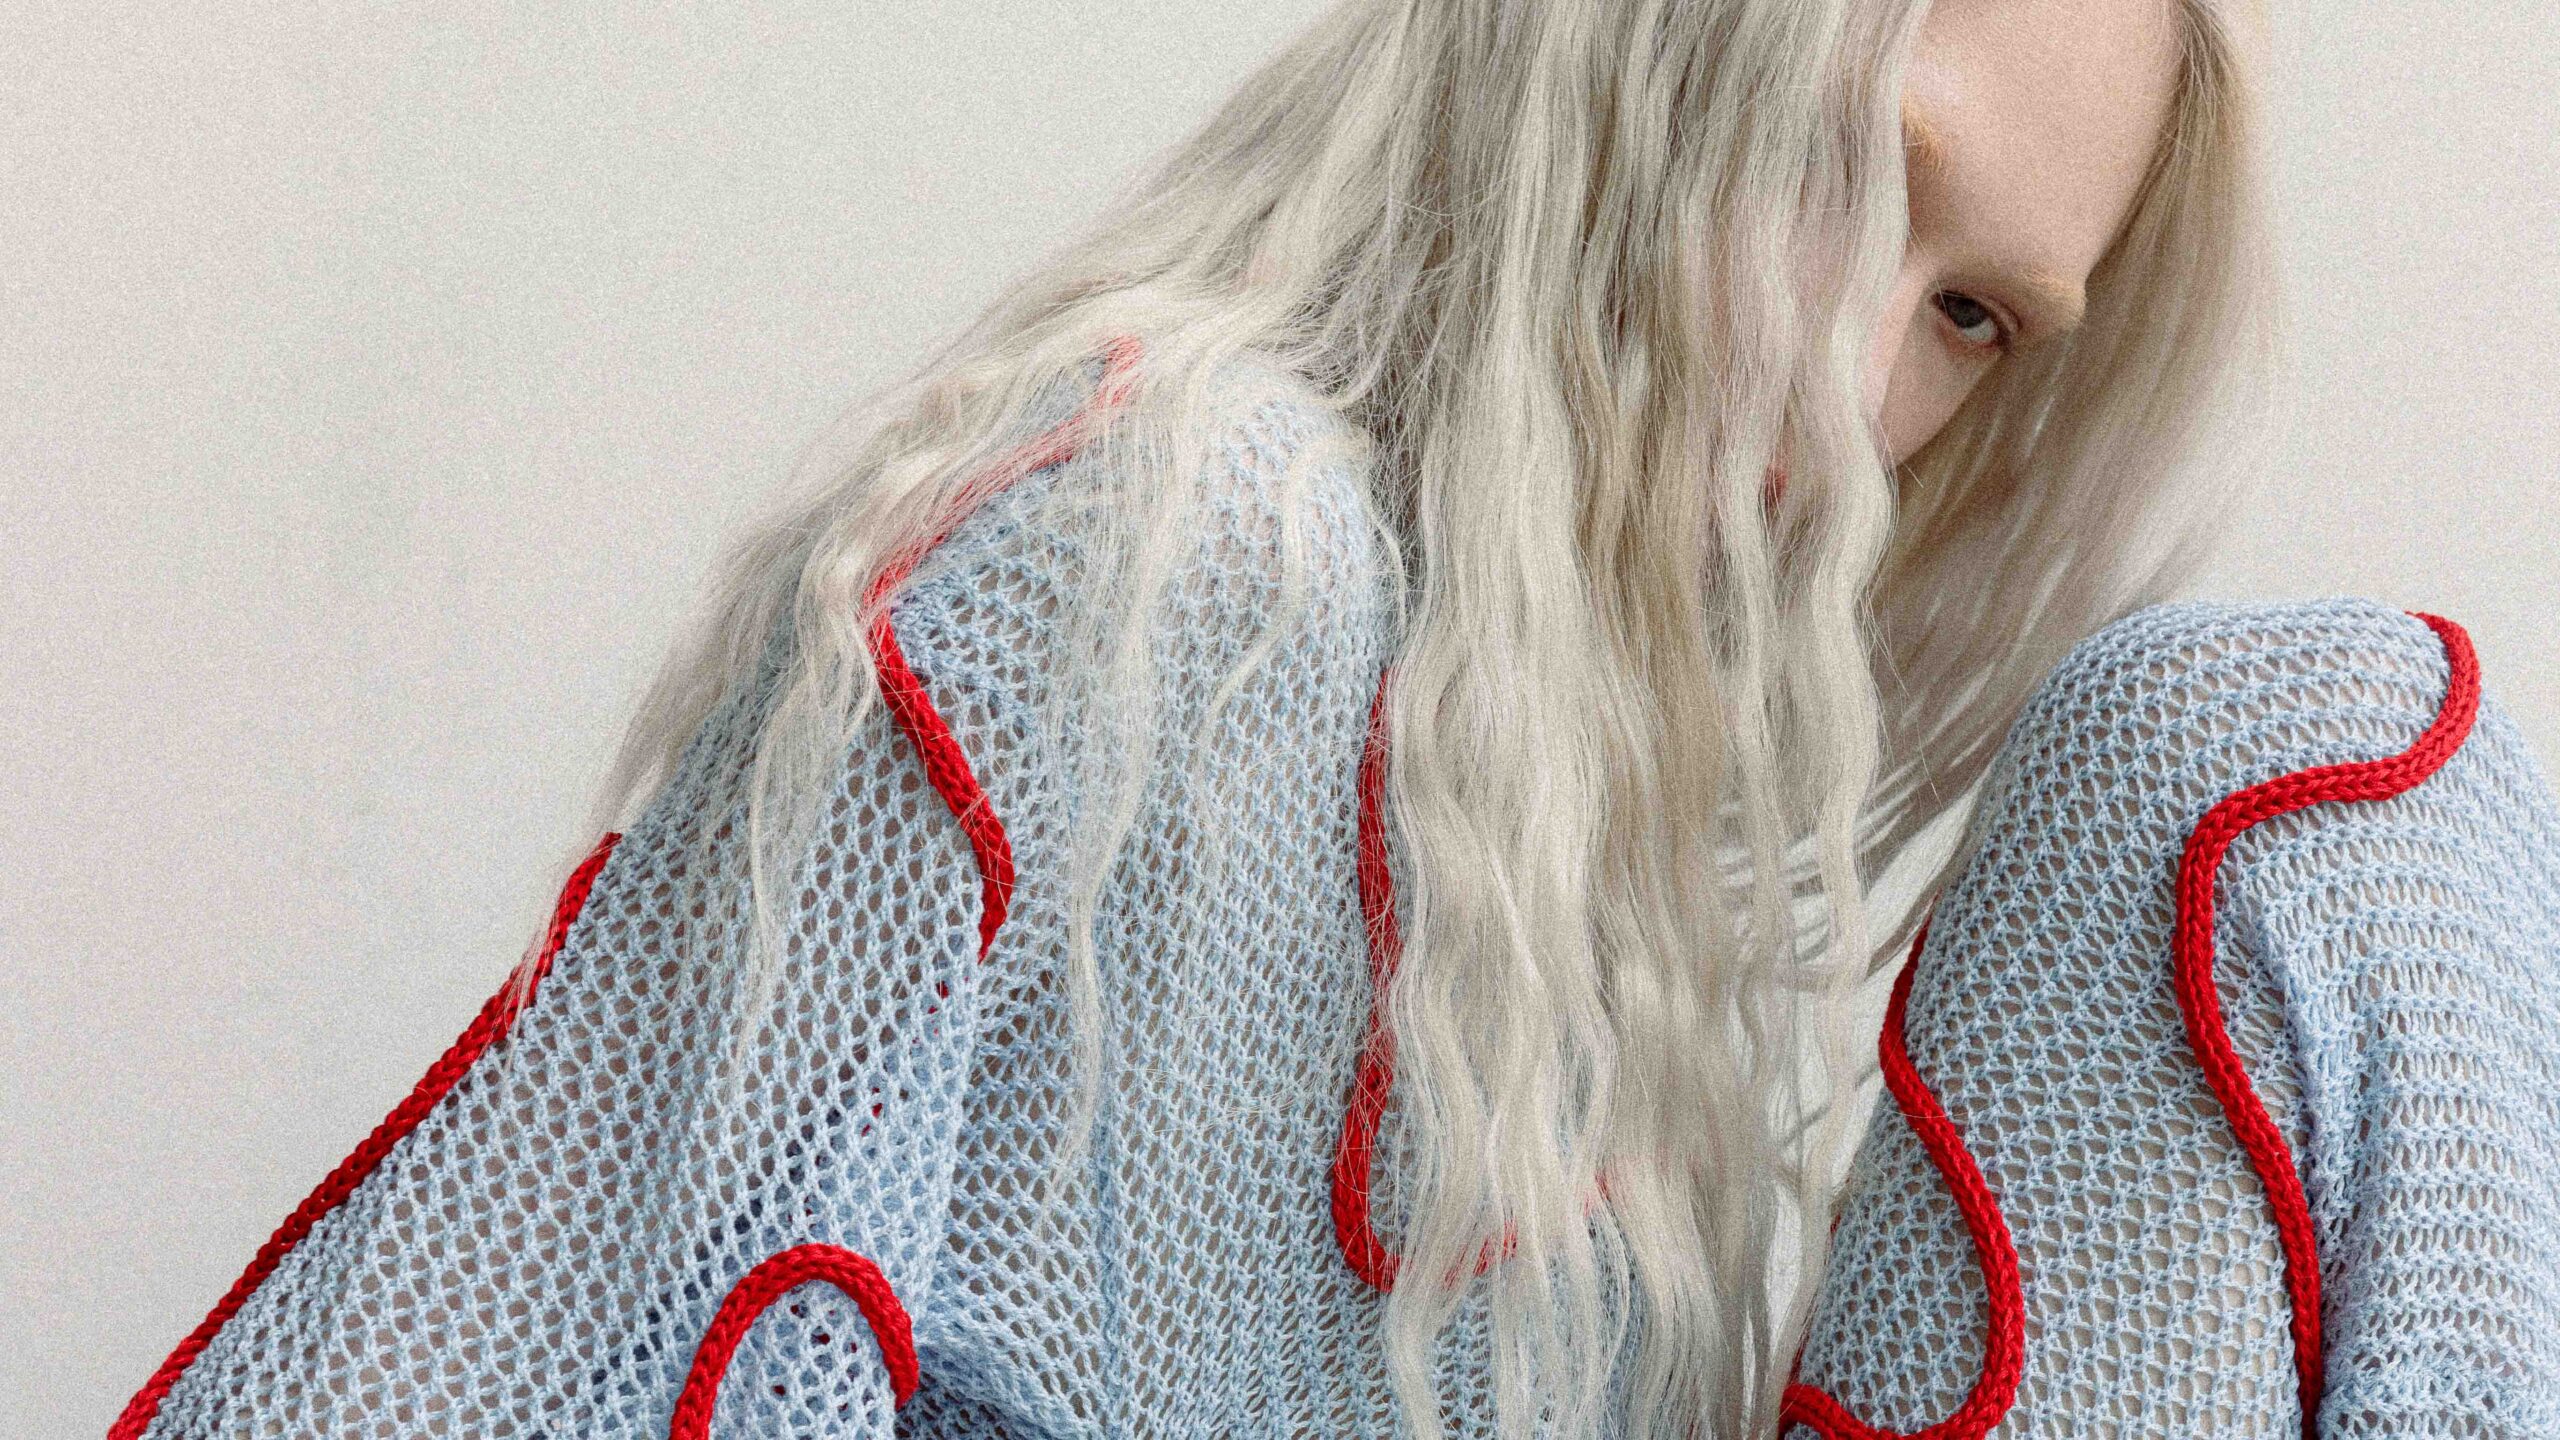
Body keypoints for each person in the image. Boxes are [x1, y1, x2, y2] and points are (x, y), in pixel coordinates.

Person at [105, 0, 2559, 1436]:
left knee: (2324, 766)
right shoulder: (1177, 530)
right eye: (1836, 160)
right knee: (2278, 739)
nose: (1852, 377)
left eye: (1967, 318)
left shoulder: (1585, 855)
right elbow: (525, 1329)